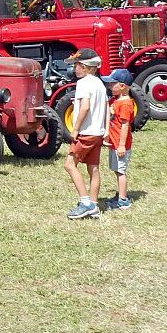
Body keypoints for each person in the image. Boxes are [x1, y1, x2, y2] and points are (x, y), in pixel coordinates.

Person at [64, 48, 108, 219]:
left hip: (86, 133)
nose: (75, 68)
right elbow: (105, 110)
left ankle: (85, 203)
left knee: (69, 165)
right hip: (98, 132)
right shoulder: (100, 84)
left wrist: (75, 129)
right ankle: (95, 204)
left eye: (76, 65)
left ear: (84, 66)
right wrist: (105, 131)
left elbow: (85, 107)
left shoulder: (83, 84)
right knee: (93, 168)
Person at [101, 68, 135, 210]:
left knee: (121, 171)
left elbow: (125, 125)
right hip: (114, 142)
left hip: (120, 145)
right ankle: (120, 195)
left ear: (122, 86)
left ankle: (123, 200)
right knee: (116, 170)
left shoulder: (126, 104)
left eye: (112, 84)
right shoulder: (115, 100)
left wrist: (121, 145)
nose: (109, 86)